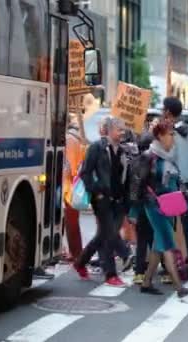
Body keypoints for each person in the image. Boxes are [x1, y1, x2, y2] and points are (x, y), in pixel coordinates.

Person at [128, 121, 188, 298]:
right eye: (170, 134)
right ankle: (179, 287)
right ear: (160, 136)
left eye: (173, 134)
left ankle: (147, 282)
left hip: (167, 206)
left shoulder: (168, 157)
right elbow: (137, 185)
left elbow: (175, 181)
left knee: (158, 246)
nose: (173, 138)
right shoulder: (150, 157)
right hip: (154, 206)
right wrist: (133, 211)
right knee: (168, 245)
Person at [74, 116, 132, 287]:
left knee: (103, 235)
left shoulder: (123, 150)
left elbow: (125, 177)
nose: (122, 132)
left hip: (119, 199)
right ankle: (112, 272)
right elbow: (85, 172)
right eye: (118, 129)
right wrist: (96, 191)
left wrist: (126, 199)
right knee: (110, 234)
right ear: (108, 130)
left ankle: (80, 262)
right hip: (102, 199)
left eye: (123, 129)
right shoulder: (97, 148)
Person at [162, 97, 188, 273]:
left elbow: (169, 157)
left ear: (168, 112)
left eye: (164, 110)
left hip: (177, 183)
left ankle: (179, 261)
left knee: (172, 223)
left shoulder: (171, 133)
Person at [131, 132, 155, 285]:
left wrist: (132, 211)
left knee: (142, 240)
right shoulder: (155, 162)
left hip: (140, 206)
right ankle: (165, 271)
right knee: (157, 240)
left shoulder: (134, 163)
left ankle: (139, 271)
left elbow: (132, 188)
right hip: (153, 206)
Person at [63, 116, 86, 261]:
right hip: (72, 186)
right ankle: (75, 252)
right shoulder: (76, 139)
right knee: (71, 222)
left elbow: (69, 167)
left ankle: (76, 253)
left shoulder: (69, 140)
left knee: (70, 222)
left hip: (68, 187)